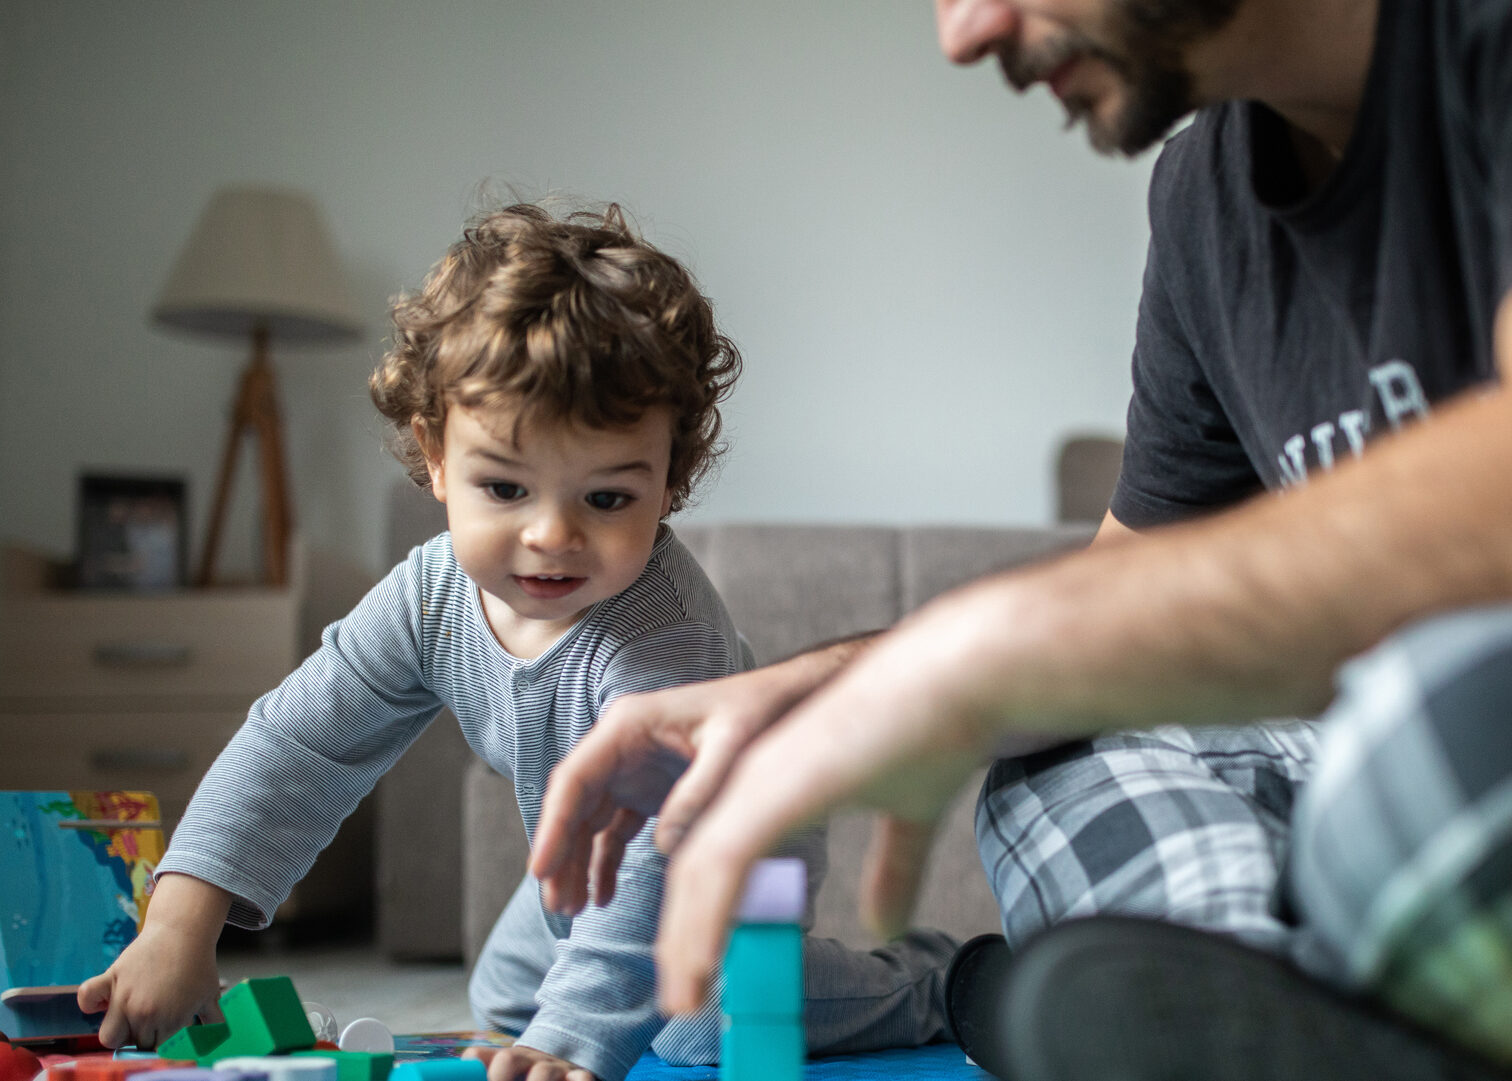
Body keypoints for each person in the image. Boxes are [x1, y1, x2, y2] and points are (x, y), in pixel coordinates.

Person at [531, 2, 1512, 1079]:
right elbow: (1117, 595)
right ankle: (1272, 1011)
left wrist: (995, 654)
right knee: (1057, 748)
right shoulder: (1201, 199)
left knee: (1459, 695)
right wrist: (798, 698)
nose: (963, 31)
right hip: (1427, 832)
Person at [75, 203, 954, 1081]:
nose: (550, 535)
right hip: (590, 860)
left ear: (671, 481)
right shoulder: (428, 595)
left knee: (696, 1023)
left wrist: (569, 1045)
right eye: (503, 487)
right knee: (503, 996)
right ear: (433, 456)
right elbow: (300, 740)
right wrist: (178, 922)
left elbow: (657, 851)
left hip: (713, 851)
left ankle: (930, 978)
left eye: (606, 498)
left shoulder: (663, 640)